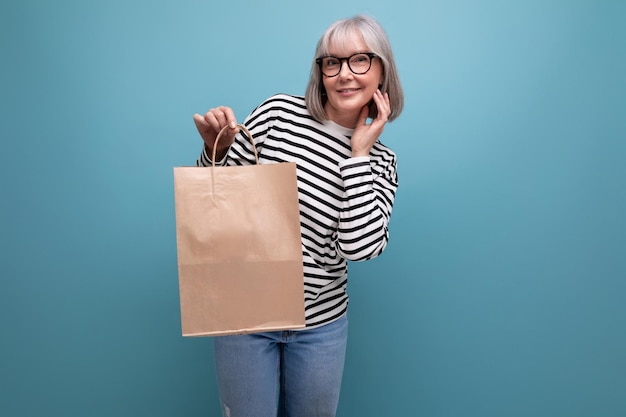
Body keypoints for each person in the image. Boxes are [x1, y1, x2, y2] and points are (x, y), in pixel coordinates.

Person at [192, 14, 404, 417]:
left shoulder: (381, 162)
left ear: (382, 71)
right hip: (245, 318)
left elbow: (359, 248)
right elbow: (213, 205)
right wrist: (215, 153)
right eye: (332, 62)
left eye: (360, 60)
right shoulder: (277, 116)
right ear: (320, 71)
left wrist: (358, 155)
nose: (345, 74)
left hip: (322, 328)